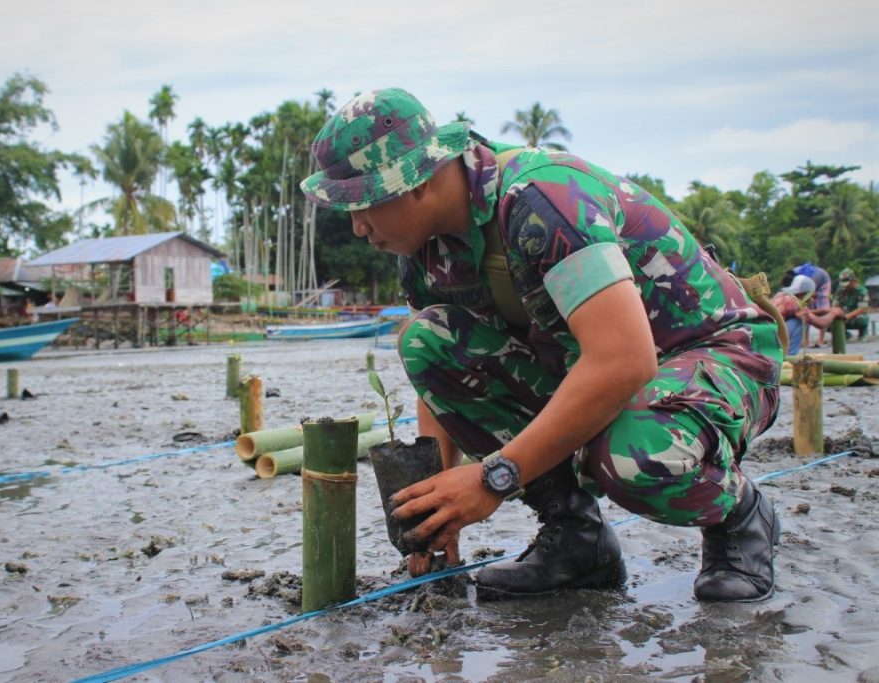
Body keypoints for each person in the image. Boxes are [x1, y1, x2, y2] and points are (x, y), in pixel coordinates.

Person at [301, 88, 783, 603]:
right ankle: (577, 539)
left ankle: (740, 517)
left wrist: (493, 478)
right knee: (425, 338)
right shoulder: (424, 251)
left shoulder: (543, 202)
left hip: (714, 358)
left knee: (632, 455)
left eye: (365, 205)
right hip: (590, 363)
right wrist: (439, 516)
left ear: (416, 181)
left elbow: (625, 360)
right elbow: (442, 381)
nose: (357, 227)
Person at [771, 274, 839, 354]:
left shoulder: (782, 296)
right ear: (803, 294)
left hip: (765, 335)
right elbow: (821, 323)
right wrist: (834, 313)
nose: (812, 299)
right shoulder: (796, 302)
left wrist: (822, 311)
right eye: (810, 295)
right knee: (801, 320)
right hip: (772, 338)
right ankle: (789, 355)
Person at [791, 262, 832, 347]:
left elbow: (809, 294)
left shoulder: (814, 277)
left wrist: (807, 303)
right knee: (804, 309)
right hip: (808, 283)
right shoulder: (794, 277)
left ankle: (821, 340)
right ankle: (806, 341)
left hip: (822, 282)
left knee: (822, 310)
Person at [833, 268, 870, 341]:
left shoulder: (862, 291)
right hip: (843, 315)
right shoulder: (840, 291)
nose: (845, 286)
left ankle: (863, 333)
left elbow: (862, 309)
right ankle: (844, 334)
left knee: (861, 318)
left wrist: (848, 316)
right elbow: (835, 305)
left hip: (855, 316)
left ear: (853, 281)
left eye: (848, 283)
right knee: (829, 321)